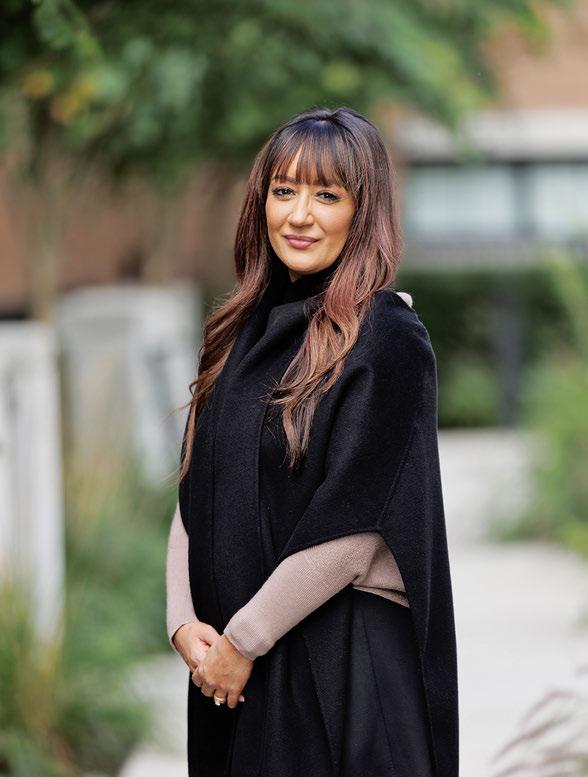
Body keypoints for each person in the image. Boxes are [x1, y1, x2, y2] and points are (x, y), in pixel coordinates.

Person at [167, 106, 459, 777]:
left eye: (327, 195)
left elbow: (356, 527)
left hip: (342, 666)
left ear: (364, 211)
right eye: (284, 190)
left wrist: (243, 639)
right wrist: (182, 623)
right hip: (233, 672)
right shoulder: (238, 335)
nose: (299, 216)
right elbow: (193, 489)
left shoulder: (386, 339)